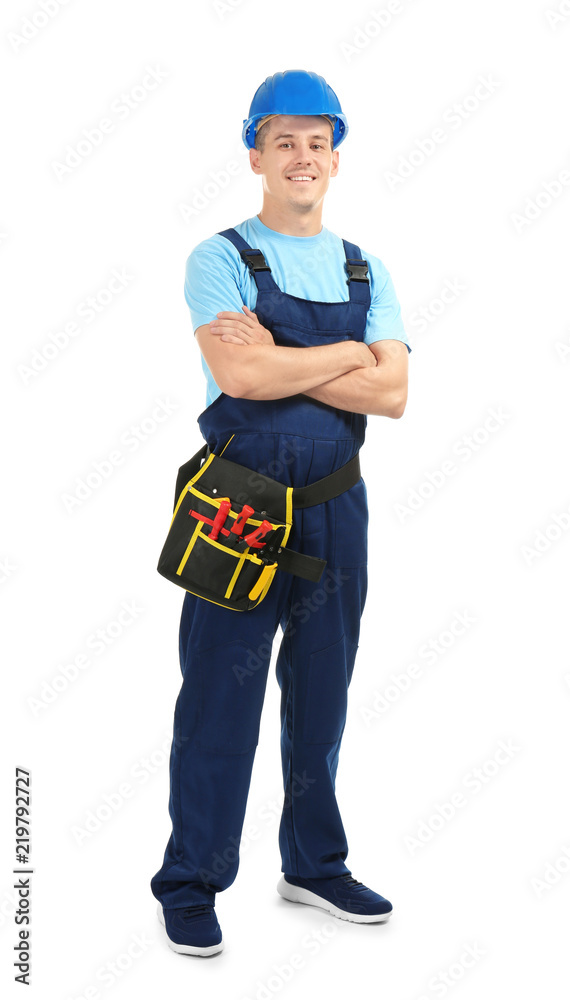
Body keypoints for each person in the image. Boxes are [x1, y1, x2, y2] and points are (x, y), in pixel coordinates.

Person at [151, 69, 411, 957]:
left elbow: (396, 393)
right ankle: (190, 879)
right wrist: (346, 354)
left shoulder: (364, 266)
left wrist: (294, 348)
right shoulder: (218, 257)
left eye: (317, 142)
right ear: (255, 152)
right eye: (283, 140)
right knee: (218, 697)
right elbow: (242, 377)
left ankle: (313, 863)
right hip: (237, 504)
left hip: (338, 509)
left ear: (335, 160)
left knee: (322, 694)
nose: (301, 157)